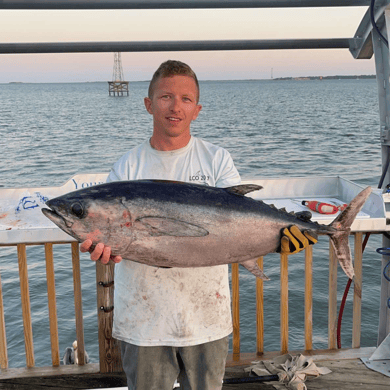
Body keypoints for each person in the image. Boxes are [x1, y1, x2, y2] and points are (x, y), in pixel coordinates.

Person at [80, 60, 317, 390]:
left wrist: (279, 237)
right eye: (165, 97)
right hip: (143, 321)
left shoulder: (216, 159)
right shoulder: (128, 165)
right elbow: (115, 235)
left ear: (197, 109)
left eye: (186, 99)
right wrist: (104, 250)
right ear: (149, 104)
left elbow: (238, 223)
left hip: (207, 315)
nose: (175, 106)